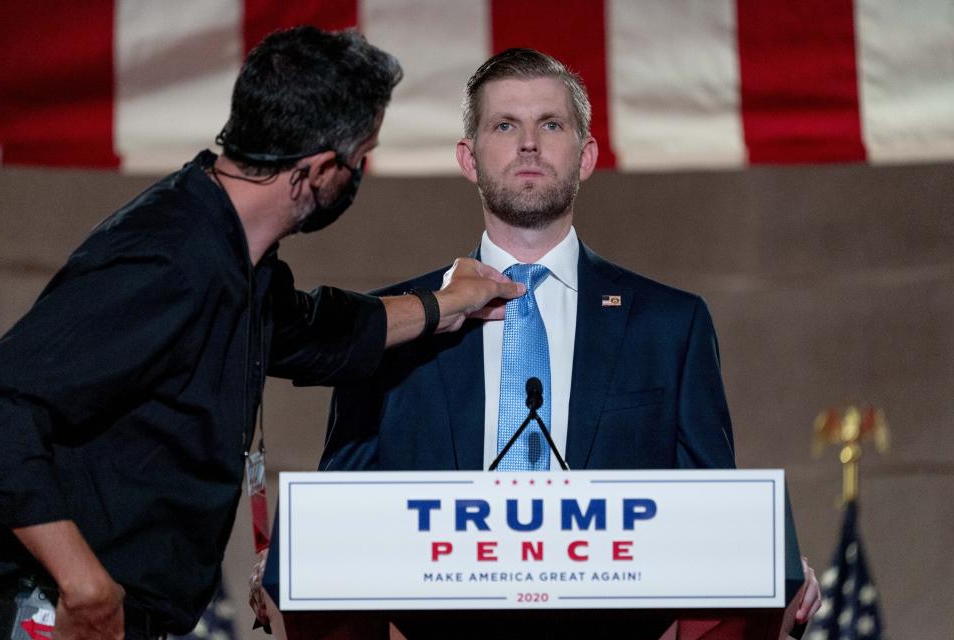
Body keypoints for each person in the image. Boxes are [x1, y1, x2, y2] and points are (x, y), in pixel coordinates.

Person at [0, 27, 522, 640]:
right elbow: (2, 408)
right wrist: (83, 584)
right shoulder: (168, 259)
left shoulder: (234, 255)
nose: (358, 176)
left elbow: (314, 329)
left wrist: (445, 305)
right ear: (320, 169)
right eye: (360, 159)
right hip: (54, 613)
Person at [308, 48, 821, 638]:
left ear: (587, 156)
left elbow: (712, 515)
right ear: (468, 159)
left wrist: (769, 566)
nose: (529, 144)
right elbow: (338, 512)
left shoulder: (669, 325)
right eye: (505, 126)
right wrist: (293, 563)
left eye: (551, 125)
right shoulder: (390, 324)